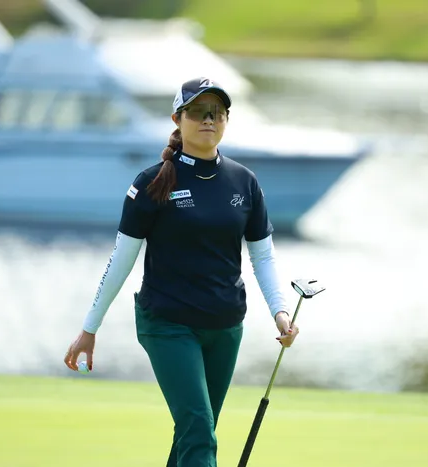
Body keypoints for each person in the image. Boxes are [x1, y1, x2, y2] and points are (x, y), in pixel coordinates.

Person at [64, 77, 299, 467]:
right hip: (167, 324)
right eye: (197, 112)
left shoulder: (244, 181)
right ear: (178, 119)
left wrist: (280, 311)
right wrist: (90, 328)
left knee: (193, 433)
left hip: (225, 326)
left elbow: (263, 257)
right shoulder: (151, 182)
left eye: (216, 113)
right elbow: (121, 259)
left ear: (225, 120)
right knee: (199, 431)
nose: (208, 120)